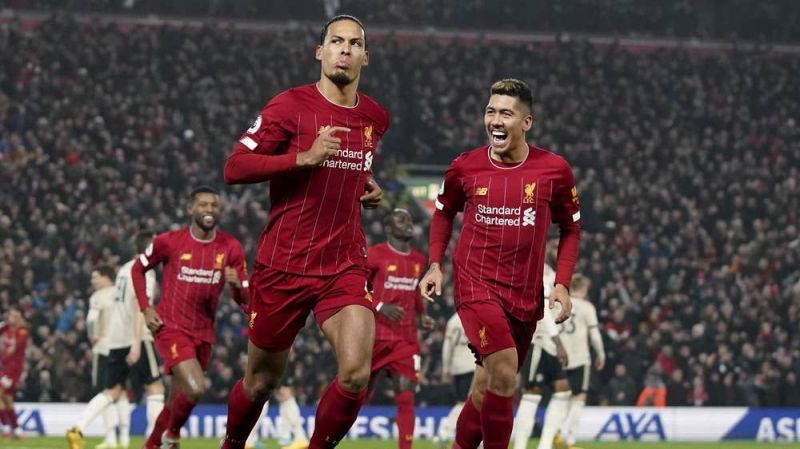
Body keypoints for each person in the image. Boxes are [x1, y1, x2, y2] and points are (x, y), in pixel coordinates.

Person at [220, 14, 388, 449]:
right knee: (260, 382)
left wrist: (366, 186)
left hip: (344, 263)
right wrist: (302, 158)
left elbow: (354, 166)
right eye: (336, 41)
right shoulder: (289, 106)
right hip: (284, 264)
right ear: (321, 52)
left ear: (365, 57)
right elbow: (234, 167)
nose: (345, 49)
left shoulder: (375, 116)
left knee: (355, 373)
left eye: (354, 43)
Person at [420, 78, 580, 449]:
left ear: (526, 122)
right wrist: (434, 264)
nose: (495, 120)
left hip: (525, 297)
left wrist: (562, 282)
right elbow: (443, 214)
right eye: (490, 111)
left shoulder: (554, 170)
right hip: (476, 285)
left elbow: (571, 228)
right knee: (506, 376)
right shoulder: (465, 167)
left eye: (506, 113)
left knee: (484, 389)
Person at [128, 186, 249, 449]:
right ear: (190, 209)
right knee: (195, 388)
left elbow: (244, 300)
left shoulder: (231, 247)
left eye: (214, 206)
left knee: (176, 400)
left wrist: (238, 285)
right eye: (203, 205)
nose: (209, 210)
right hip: (170, 326)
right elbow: (138, 269)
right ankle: (172, 437)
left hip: (204, 332)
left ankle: (150, 445)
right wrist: (145, 308)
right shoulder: (169, 241)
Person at [366, 208, 434, 449]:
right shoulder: (374, 255)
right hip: (375, 337)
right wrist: (380, 306)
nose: (408, 223)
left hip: (406, 339)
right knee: (357, 394)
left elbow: (415, 290)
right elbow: (356, 286)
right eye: (401, 219)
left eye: (409, 219)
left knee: (406, 397)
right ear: (388, 228)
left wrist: (422, 315)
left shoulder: (418, 259)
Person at [117, 231, 166, 437]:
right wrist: (137, 342)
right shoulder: (145, 270)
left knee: (117, 390)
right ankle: (154, 439)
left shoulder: (124, 269)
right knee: (156, 389)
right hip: (139, 336)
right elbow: (140, 305)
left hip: (121, 336)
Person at [66, 265, 120, 449]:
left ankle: (78, 427)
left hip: (103, 347)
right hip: (122, 346)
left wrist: (92, 335)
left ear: (107, 277)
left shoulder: (98, 296)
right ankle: (112, 439)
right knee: (112, 393)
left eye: (96, 277)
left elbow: (91, 319)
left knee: (106, 392)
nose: (93, 281)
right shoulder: (121, 292)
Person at [555, 274, 605, 449]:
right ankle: (569, 439)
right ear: (583, 289)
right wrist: (601, 354)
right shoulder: (587, 307)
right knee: (578, 398)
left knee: (561, 397)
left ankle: (558, 432)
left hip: (558, 357)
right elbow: (595, 336)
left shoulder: (560, 304)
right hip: (579, 358)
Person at [513, 303, 571, 449]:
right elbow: (542, 310)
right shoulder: (543, 281)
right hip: (538, 342)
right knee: (532, 393)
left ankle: (545, 445)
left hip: (550, 346)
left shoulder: (558, 284)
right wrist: (559, 343)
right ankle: (520, 446)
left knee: (563, 390)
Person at [433, 312, 475, 448]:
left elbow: (447, 347)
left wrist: (447, 368)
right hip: (472, 365)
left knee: (466, 403)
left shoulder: (452, 321)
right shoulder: (474, 316)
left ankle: (474, 437)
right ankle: (444, 431)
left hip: (457, 367)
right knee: (467, 403)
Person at [0, 308, 28, 439]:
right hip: (4, 368)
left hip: (13, 370)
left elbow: (13, 349)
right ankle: (17, 431)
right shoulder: (5, 328)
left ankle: (5, 428)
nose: (10, 318)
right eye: (9, 316)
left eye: (13, 316)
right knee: (7, 399)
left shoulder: (22, 332)